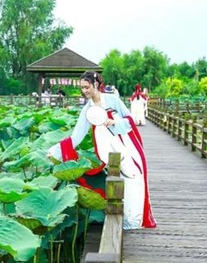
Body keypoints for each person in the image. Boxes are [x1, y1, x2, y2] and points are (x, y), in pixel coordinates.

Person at [47, 71, 156, 230]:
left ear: (96, 84)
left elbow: (129, 120)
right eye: (82, 88)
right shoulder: (87, 110)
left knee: (135, 180)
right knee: (119, 181)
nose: (84, 91)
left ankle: (133, 222)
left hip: (127, 146)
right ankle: (124, 223)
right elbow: (76, 137)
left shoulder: (112, 100)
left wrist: (113, 122)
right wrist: (56, 150)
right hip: (109, 151)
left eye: (86, 87)